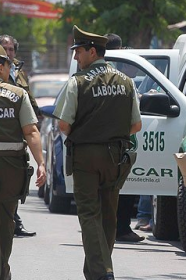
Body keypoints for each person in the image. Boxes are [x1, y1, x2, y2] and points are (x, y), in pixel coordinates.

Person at [53, 25, 142, 280]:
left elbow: (63, 125)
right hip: (115, 157)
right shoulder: (126, 82)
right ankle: (96, 272)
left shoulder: (77, 83)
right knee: (109, 218)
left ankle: (103, 273)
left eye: (78, 51)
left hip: (85, 157)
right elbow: (136, 125)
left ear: (92, 51)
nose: (75, 58)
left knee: (89, 215)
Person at [0, 43, 46, 280]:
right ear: (0, 67)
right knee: (6, 221)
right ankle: (1, 272)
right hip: (12, 168)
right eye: (8, 65)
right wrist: (41, 162)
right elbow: (31, 132)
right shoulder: (17, 94)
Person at [0, 34, 39, 237]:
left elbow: (28, 97)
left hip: (17, 133)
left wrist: (36, 117)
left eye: (11, 49)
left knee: (16, 180)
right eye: (4, 48)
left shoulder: (19, 72)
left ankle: (13, 221)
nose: (8, 52)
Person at [105, 34, 145, 243]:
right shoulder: (122, 79)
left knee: (113, 187)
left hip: (107, 142)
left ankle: (115, 227)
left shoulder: (99, 76)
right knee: (124, 186)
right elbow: (135, 118)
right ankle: (121, 228)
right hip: (122, 142)